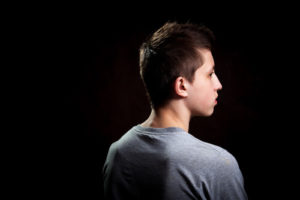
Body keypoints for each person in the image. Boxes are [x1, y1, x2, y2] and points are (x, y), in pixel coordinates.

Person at [102, 21, 248, 200]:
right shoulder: (218, 165)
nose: (218, 84)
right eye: (210, 74)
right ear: (181, 85)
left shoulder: (118, 153)